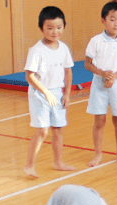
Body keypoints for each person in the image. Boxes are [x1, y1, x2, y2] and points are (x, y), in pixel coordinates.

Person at [23, 6, 75, 178]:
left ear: (63, 27)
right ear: (41, 28)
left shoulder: (64, 48)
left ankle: (58, 162)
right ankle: (29, 165)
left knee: (58, 129)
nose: (55, 32)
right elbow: (30, 76)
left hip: (57, 93)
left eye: (59, 27)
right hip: (40, 94)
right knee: (42, 131)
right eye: (50, 28)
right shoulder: (36, 50)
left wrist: (66, 94)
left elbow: (68, 72)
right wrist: (45, 92)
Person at [85, 1, 117, 167]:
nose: (116, 23)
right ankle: (98, 154)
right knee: (99, 121)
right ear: (103, 20)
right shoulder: (96, 41)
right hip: (99, 85)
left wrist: (114, 77)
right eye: (112, 19)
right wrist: (102, 74)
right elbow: (88, 64)